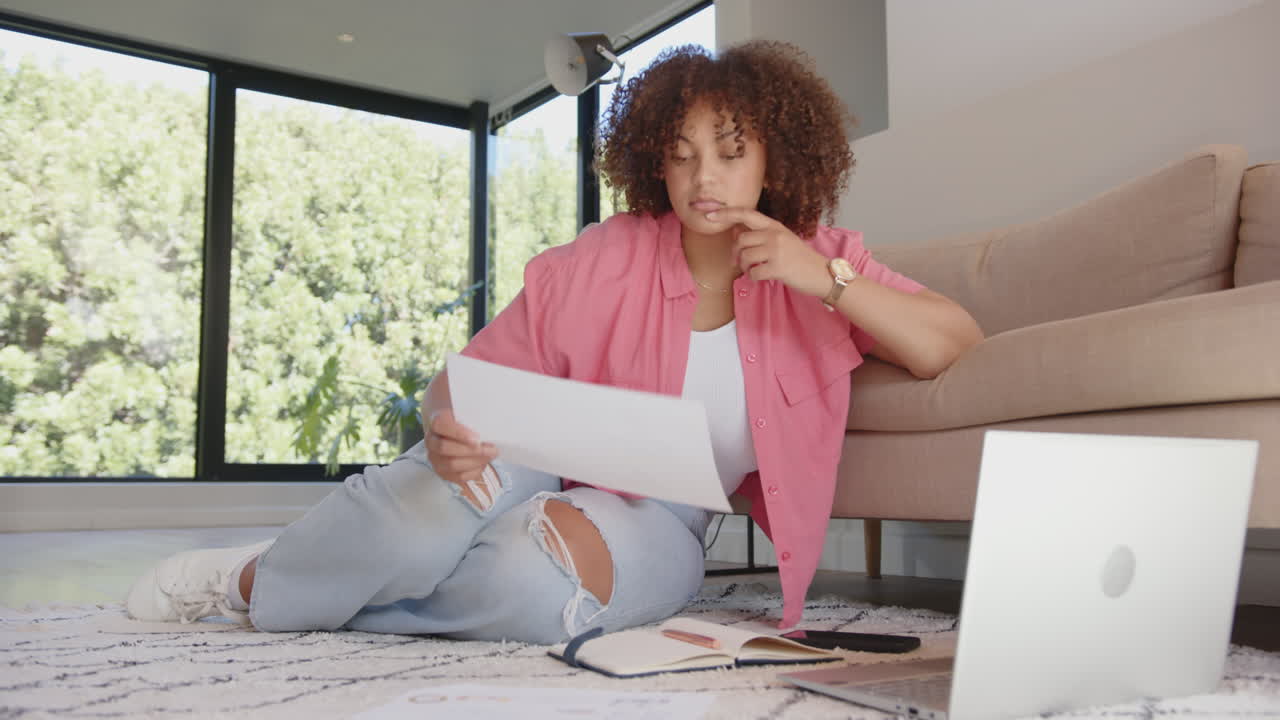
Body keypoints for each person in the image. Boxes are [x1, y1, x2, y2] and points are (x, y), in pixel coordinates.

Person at [126, 40, 983, 644]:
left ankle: (320, 586)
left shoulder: (823, 264)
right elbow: (460, 383)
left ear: (773, 159)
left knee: (530, 588)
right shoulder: (606, 255)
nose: (703, 178)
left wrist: (818, 278)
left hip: (667, 519)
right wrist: (445, 429)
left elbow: (949, 342)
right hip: (536, 458)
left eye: (729, 152)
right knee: (422, 517)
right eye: (681, 156)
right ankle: (253, 581)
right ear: (658, 164)